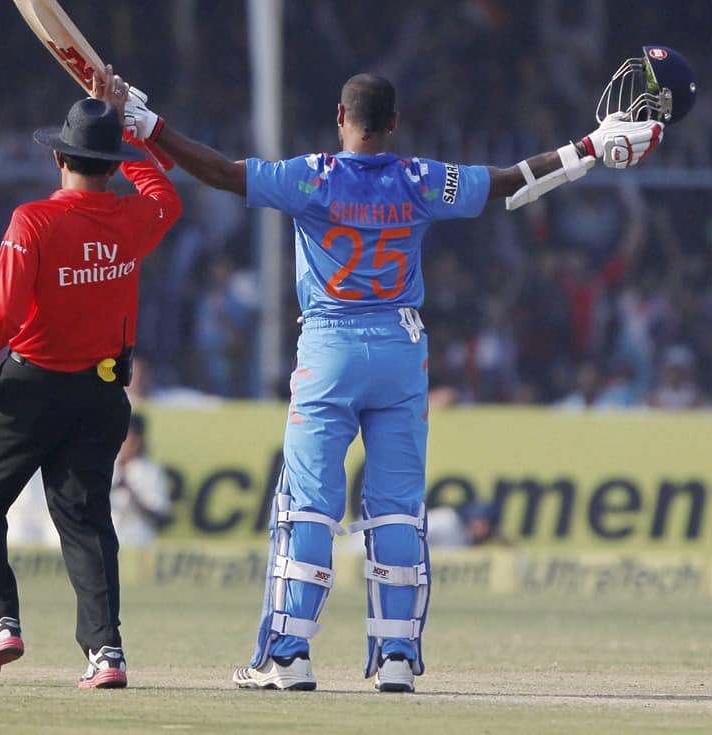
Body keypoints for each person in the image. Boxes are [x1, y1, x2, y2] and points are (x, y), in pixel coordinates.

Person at [118, 58, 678, 692]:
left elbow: (218, 172)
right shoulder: (421, 179)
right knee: (395, 513)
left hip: (329, 348)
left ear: (340, 118)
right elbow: (506, 184)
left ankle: (288, 656)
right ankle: (395, 660)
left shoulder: (311, 177)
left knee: (308, 506)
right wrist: (587, 150)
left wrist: (148, 126)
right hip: (401, 352)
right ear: (393, 124)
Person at [0, 67, 182, 689]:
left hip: (30, 390)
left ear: (58, 156)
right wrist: (129, 132)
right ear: (107, 164)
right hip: (102, 394)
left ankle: (0, 623)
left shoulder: (33, 221)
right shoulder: (132, 221)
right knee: (84, 520)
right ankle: (106, 653)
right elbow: (167, 197)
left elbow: (0, 309)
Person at [110, 413, 172, 546]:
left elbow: (161, 519)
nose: (127, 445)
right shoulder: (105, 466)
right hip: (105, 544)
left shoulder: (152, 471)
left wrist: (131, 493)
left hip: (138, 545)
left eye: (131, 439)